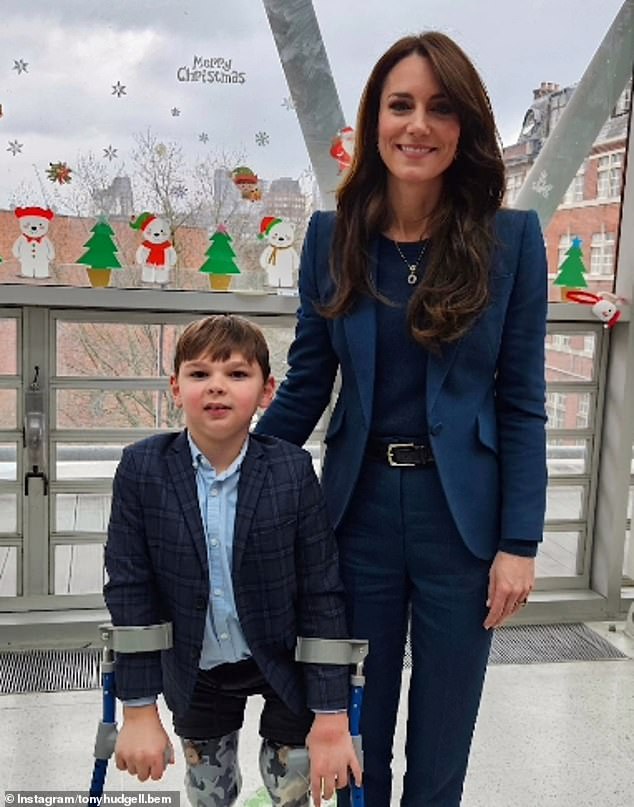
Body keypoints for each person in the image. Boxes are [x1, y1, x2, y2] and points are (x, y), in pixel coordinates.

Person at [255, 31, 548, 807]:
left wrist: (519, 541)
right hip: (356, 517)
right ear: (374, 120)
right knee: (354, 733)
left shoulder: (511, 242)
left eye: (440, 108)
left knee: (442, 747)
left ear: (465, 127)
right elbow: (307, 384)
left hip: (464, 526)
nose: (418, 125)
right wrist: (229, 473)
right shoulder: (332, 235)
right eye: (400, 105)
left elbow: (521, 399)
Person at [104, 314, 362, 807]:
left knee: (291, 787)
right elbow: (130, 589)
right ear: (176, 388)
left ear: (267, 391)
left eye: (236, 375)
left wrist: (331, 714)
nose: (217, 387)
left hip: (282, 660)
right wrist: (137, 709)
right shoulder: (142, 469)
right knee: (208, 791)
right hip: (195, 665)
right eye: (200, 374)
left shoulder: (291, 470)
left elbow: (321, 592)